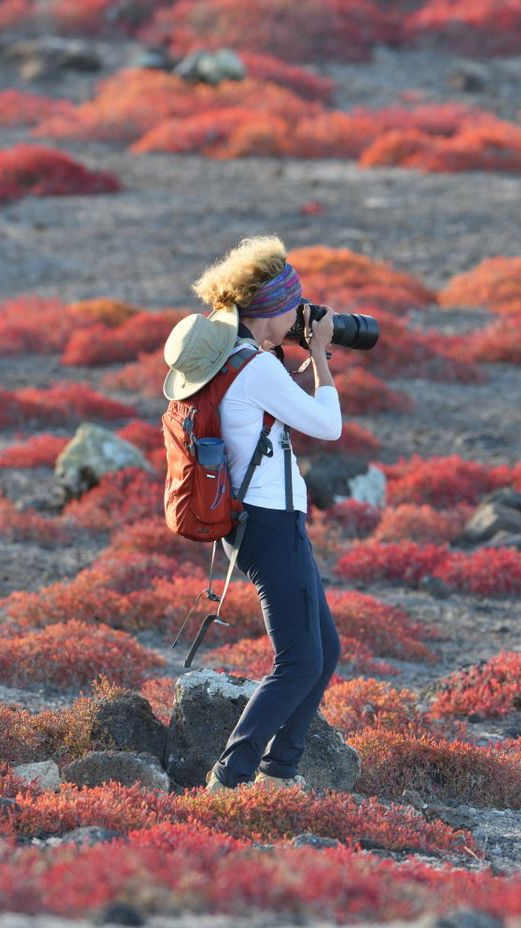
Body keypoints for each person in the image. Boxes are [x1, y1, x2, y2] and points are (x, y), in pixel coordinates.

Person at [163, 235, 344, 791]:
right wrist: (319, 355)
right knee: (298, 662)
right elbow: (328, 426)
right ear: (271, 309)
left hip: (253, 524)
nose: (299, 314)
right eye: (294, 304)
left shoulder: (228, 357)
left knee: (324, 650)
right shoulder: (258, 370)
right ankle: (235, 775)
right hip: (271, 522)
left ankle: (280, 769)